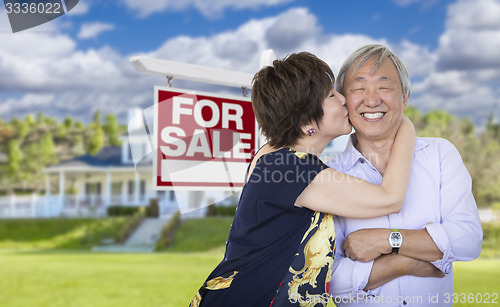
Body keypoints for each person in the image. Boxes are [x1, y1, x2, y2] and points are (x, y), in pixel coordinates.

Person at [189, 52, 416, 307]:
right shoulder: (292, 169)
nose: (343, 99)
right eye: (331, 95)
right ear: (307, 119)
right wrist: (404, 124)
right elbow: (390, 198)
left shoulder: (272, 155)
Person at [326, 44, 483, 306]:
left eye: (384, 87)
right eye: (358, 88)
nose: (372, 99)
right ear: (344, 101)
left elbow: (467, 240)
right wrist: (402, 263)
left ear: (405, 98)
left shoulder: (440, 154)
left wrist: (386, 240)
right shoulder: (330, 175)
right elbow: (328, 280)